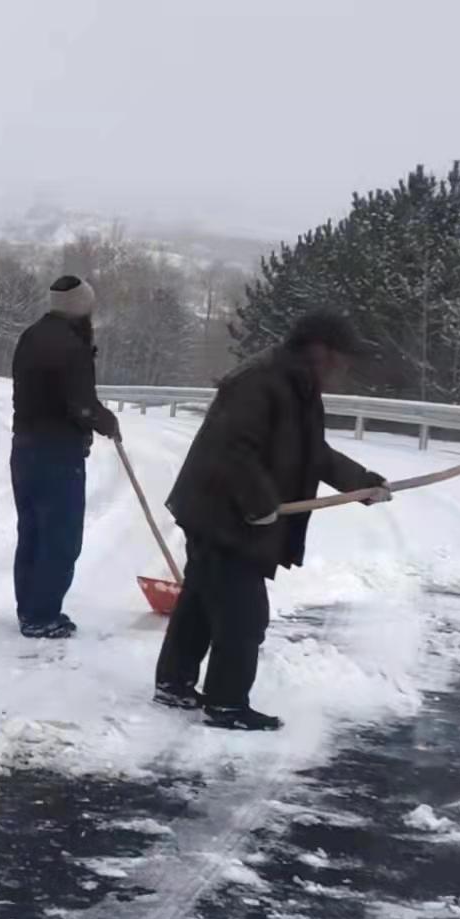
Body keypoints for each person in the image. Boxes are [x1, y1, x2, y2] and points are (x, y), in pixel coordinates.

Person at [155, 312, 390, 730]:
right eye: (343, 358)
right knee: (242, 615)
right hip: (223, 513)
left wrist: (362, 484)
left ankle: (173, 685)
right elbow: (233, 447)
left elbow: (312, 452)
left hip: (227, 512)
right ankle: (226, 704)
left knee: (201, 602)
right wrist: (258, 501)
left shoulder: (298, 386)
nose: (347, 368)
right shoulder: (262, 381)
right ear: (320, 351)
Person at [9, 275, 121, 639]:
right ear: (81, 307)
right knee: (61, 536)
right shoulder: (71, 347)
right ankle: (42, 616)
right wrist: (108, 422)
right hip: (57, 452)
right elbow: (82, 405)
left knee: (33, 531)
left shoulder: (32, 335)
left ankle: (30, 609)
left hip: (24, 447)